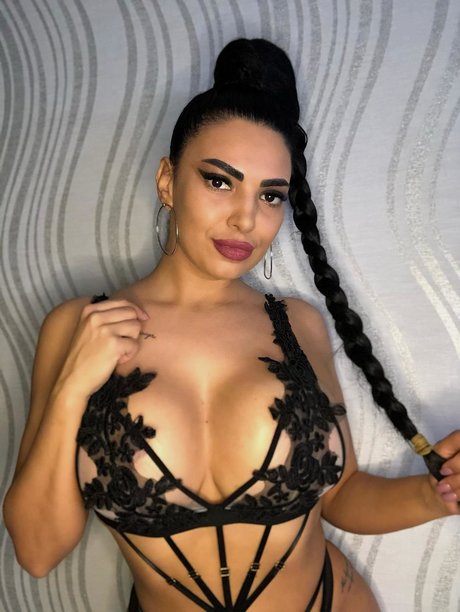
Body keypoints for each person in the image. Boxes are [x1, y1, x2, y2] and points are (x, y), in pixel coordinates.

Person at [3, 38, 459, 612]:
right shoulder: (77, 327)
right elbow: (38, 552)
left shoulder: (297, 324)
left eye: (270, 196)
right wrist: (72, 387)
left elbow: (339, 496)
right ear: (167, 181)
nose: (247, 218)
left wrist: (437, 496)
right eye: (220, 181)